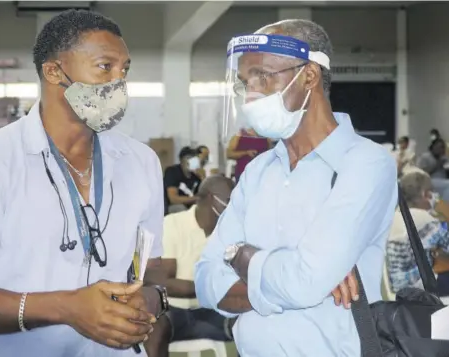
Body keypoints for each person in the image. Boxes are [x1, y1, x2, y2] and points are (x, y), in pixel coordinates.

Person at [0, 10, 168, 357]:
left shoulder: (141, 163)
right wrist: (66, 307)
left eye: (124, 70)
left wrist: (149, 299)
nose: (120, 83)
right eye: (105, 67)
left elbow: (151, 267)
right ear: (54, 71)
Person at [195, 19, 397, 356]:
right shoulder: (258, 171)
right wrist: (287, 276)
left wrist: (244, 258)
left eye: (263, 76)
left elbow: (305, 281)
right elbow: (205, 280)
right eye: (247, 82)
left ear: (309, 75)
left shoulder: (364, 163)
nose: (253, 93)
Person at [143, 176, 235, 357]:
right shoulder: (173, 224)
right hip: (173, 311)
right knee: (154, 329)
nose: (233, 206)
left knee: (250, 325)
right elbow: (164, 283)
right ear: (211, 197)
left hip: (213, 311)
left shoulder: (229, 232)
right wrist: (212, 286)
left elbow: (233, 281)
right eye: (229, 200)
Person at [387, 172, 449, 296]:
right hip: (422, 290)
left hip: (399, 291)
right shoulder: (426, 220)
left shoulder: (395, 216)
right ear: (425, 194)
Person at [163, 147, 201, 215]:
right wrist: (195, 199)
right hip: (171, 207)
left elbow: (201, 196)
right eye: (189, 158)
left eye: (194, 158)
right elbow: (173, 199)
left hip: (189, 208)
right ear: (181, 160)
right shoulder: (172, 172)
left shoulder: (196, 178)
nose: (192, 161)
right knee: (181, 208)